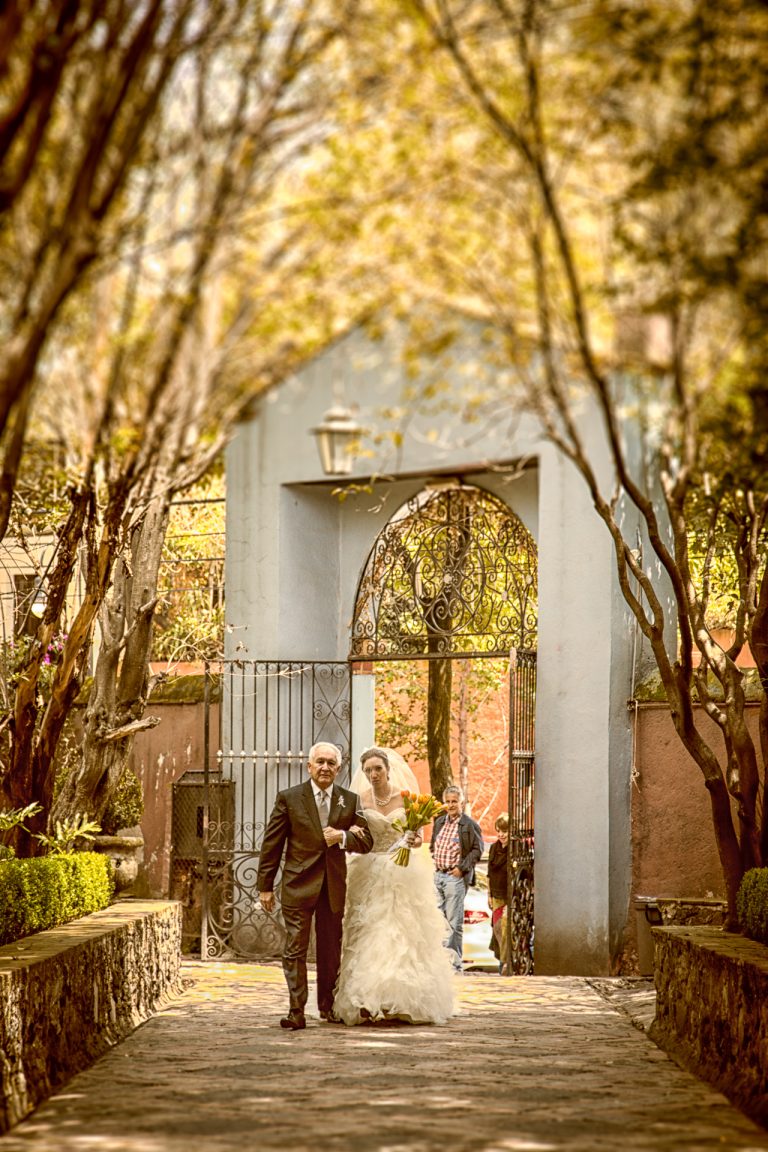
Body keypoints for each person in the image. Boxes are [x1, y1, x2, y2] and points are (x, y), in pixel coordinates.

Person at [333, 747, 456, 1026]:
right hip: (370, 869)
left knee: (404, 933)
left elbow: (418, 836)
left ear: (388, 769)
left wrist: (413, 841)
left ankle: (403, 1000)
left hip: (403, 872)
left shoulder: (406, 798)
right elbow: (356, 834)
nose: (373, 774)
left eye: (378, 769)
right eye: (368, 770)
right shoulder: (360, 800)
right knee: (370, 933)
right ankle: (368, 998)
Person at [256, 741, 373, 1031]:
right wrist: (265, 886)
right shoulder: (289, 798)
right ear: (309, 766)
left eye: (331, 763)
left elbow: (367, 840)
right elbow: (272, 844)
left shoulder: (350, 799)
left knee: (330, 949)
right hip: (298, 884)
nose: (325, 767)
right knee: (295, 947)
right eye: (319, 762)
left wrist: (343, 837)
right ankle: (296, 1011)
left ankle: (327, 1007)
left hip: (332, 887)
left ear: (339, 768)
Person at [430, 784, 484, 972]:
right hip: (437, 876)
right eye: (448, 802)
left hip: (454, 878)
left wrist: (462, 868)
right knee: (436, 920)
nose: (451, 805)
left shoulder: (469, 825)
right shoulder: (439, 822)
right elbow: (433, 845)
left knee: (453, 923)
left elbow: (478, 849)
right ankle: (438, 961)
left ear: (461, 802)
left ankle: (453, 964)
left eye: (454, 801)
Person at [487, 812, 510, 973]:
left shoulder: (515, 848)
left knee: (506, 926)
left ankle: (505, 963)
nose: (501, 834)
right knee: (497, 929)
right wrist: (488, 894)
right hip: (495, 894)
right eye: (499, 831)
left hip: (509, 896)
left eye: (504, 831)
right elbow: (489, 872)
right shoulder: (494, 848)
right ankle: (503, 960)